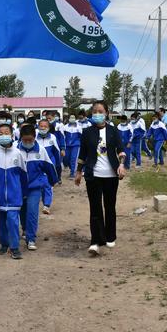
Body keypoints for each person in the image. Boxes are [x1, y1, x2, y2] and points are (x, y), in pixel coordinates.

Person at [75, 100, 126, 256]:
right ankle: (96, 240)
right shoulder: (87, 132)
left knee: (110, 207)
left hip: (111, 175)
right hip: (93, 175)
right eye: (94, 111)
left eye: (100, 111)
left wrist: (122, 165)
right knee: (95, 208)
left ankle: (110, 236)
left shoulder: (113, 131)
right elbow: (82, 154)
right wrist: (78, 172)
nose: (97, 114)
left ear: (107, 113)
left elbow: (121, 151)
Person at [0, 123, 27, 260]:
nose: (4, 135)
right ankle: (4, 244)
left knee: (13, 221)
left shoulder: (17, 153)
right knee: (2, 221)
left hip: (15, 196)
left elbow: (23, 175)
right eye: (1, 133)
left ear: (12, 134)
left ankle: (14, 248)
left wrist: (24, 192)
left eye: (6, 132)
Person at [18, 124, 58, 250]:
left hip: (35, 187)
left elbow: (49, 167)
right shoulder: (15, 149)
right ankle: (24, 229)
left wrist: (52, 181)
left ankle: (31, 239)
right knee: (22, 211)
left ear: (35, 137)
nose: (28, 142)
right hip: (19, 188)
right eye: (25, 140)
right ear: (21, 138)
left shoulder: (40, 150)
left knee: (32, 212)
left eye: (30, 139)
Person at [36, 119, 62, 213]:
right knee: (40, 184)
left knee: (48, 184)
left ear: (48, 128)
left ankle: (46, 205)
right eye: (41, 126)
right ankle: (41, 200)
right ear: (38, 127)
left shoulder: (52, 137)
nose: (43, 128)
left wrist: (58, 165)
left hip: (50, 163)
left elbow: (56, 151)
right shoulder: (35, 138)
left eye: (45, 126)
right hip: (38, 163)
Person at [63, 114, 82, 179]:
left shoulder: (79, 127)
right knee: (66, 158)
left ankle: (72, 173)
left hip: (75, 145)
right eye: (71, 117)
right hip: (67, 145)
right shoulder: (65, 127)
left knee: (73, 158)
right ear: (69, 119)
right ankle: (71, 167)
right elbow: (63, 136)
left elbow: (80, 137)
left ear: (75, 118)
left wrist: (78, 142)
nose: (72, 119)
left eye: (73, 117)